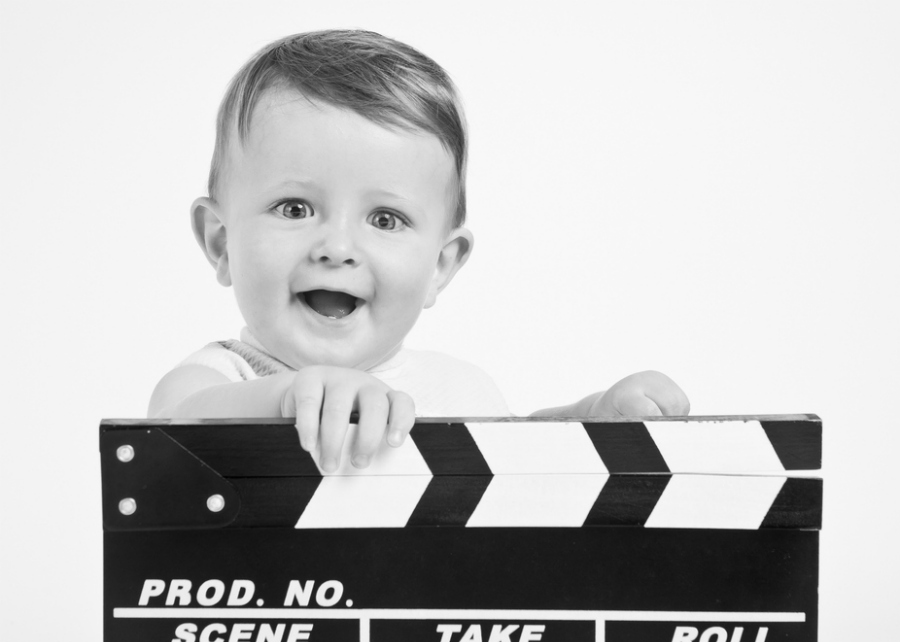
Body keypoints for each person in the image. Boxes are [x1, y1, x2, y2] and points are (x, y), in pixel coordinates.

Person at [149, 30, 689, 473]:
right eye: (294, 208)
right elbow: (169, 432)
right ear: (221, 241)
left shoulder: (460, 387)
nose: (337, 248)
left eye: (385, 219)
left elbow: (524, 463)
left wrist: (590, 418)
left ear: (440, 266)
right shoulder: (220, 377)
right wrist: (287, 398)